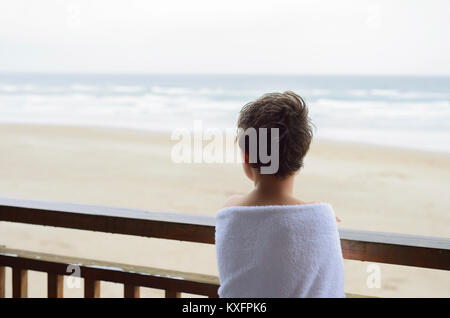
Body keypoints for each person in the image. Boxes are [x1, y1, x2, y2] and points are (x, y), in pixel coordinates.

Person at [215, 91, 345, 297]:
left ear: (247, 157)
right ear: (300, 155)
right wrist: (311, 211)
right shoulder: (322, 218)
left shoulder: (229, 212)